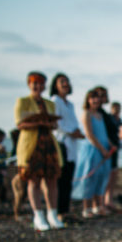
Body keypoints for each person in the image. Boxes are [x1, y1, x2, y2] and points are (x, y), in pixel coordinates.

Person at [14, 72, 64, 230]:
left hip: (48, 143)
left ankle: (52, 214)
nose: (38, 87)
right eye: (35, 83)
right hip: (32, 144)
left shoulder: (49, 104)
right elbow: (19, 124)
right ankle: (38, 215)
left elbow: (55, 125)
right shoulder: (23, 102)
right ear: (29, 84)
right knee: (33, 180)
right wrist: (39, 122)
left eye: (41, 84)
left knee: (52, 180)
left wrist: (47, 123)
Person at [71, 88, 115, 217]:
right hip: (92, 150)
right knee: (90, 178)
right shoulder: (86, 114)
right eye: (92, 97)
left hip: (104, 148)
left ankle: (98, 206)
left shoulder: (100, 115)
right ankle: (87, 208)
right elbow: (89, 135)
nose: (95, 100)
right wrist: (102, 150)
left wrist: (111, 145)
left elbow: (103, 134)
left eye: (97, 97)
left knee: (102, 177)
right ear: (88, 100)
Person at [49, 73, 83, 219]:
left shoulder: (70, 104)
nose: (65, 84)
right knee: (60, 179)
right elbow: (56, 123)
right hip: (61, 143)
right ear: (55, 85)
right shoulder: (55, 100)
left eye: (66, 81)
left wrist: (77, 132)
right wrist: (71, 132)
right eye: (61, 81)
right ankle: (58, 212)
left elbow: (73, 122)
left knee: (68, 179)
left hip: (72, 144)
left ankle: (65, 210)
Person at [94, 88, 122, 212]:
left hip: (113, 147)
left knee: (111, 175)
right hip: (105, 147)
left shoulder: (106, 114)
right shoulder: (99, 114)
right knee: (102, 176)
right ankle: (99, 204)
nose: (102, 98)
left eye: (104, 95)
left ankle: (107, 201)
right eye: (99, 95)